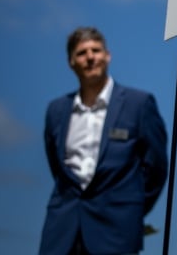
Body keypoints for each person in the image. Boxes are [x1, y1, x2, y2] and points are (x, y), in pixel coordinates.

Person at [39, 27, 168, 255]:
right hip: (62, 231)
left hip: (116, 232)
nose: (90, 57)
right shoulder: (56, 111)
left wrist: (131, 207)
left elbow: (156, 168)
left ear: (107, 55)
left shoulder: (138, 104)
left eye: (95, 50)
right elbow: (57, 167)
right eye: (81, 53)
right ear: (71, 62)